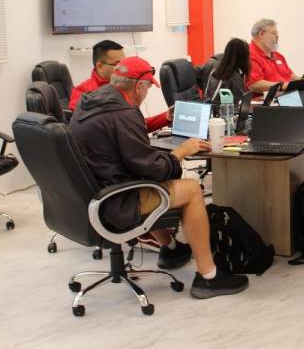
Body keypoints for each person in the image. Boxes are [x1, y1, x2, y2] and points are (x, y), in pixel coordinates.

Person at [70, 56, 249, 299]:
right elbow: (153, 170)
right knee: (191, 189)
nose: (146, 94)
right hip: (116, 202)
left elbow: (126, 145)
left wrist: (161, 129)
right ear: (138, 87)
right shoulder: (123, 114)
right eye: (147, 89)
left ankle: (171, 249)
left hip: (89, 196)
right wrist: (182, 151)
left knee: (150, 183)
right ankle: (209, 276)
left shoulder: (90, 103)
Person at [68, 40, 171, 132]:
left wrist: (166, 117)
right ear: (100, 67)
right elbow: (126, 127)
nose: (124, 67)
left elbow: (134, 125)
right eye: (118, 64)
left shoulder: (124, 86)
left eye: (124, 62)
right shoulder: (83, 94)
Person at [247, 18, 300, 94]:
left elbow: (290, 75)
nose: (278, 36)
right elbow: (255, 84)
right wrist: (283, 85)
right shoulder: (249, 55)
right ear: (261, 34)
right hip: (267, 99)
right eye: (274, 33)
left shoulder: (278, 56)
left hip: (286, 95)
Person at [204, 38, 249, 104]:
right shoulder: (231, 77)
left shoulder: (217, 72)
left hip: (226, 108)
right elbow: (212, 101)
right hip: (220, 109)